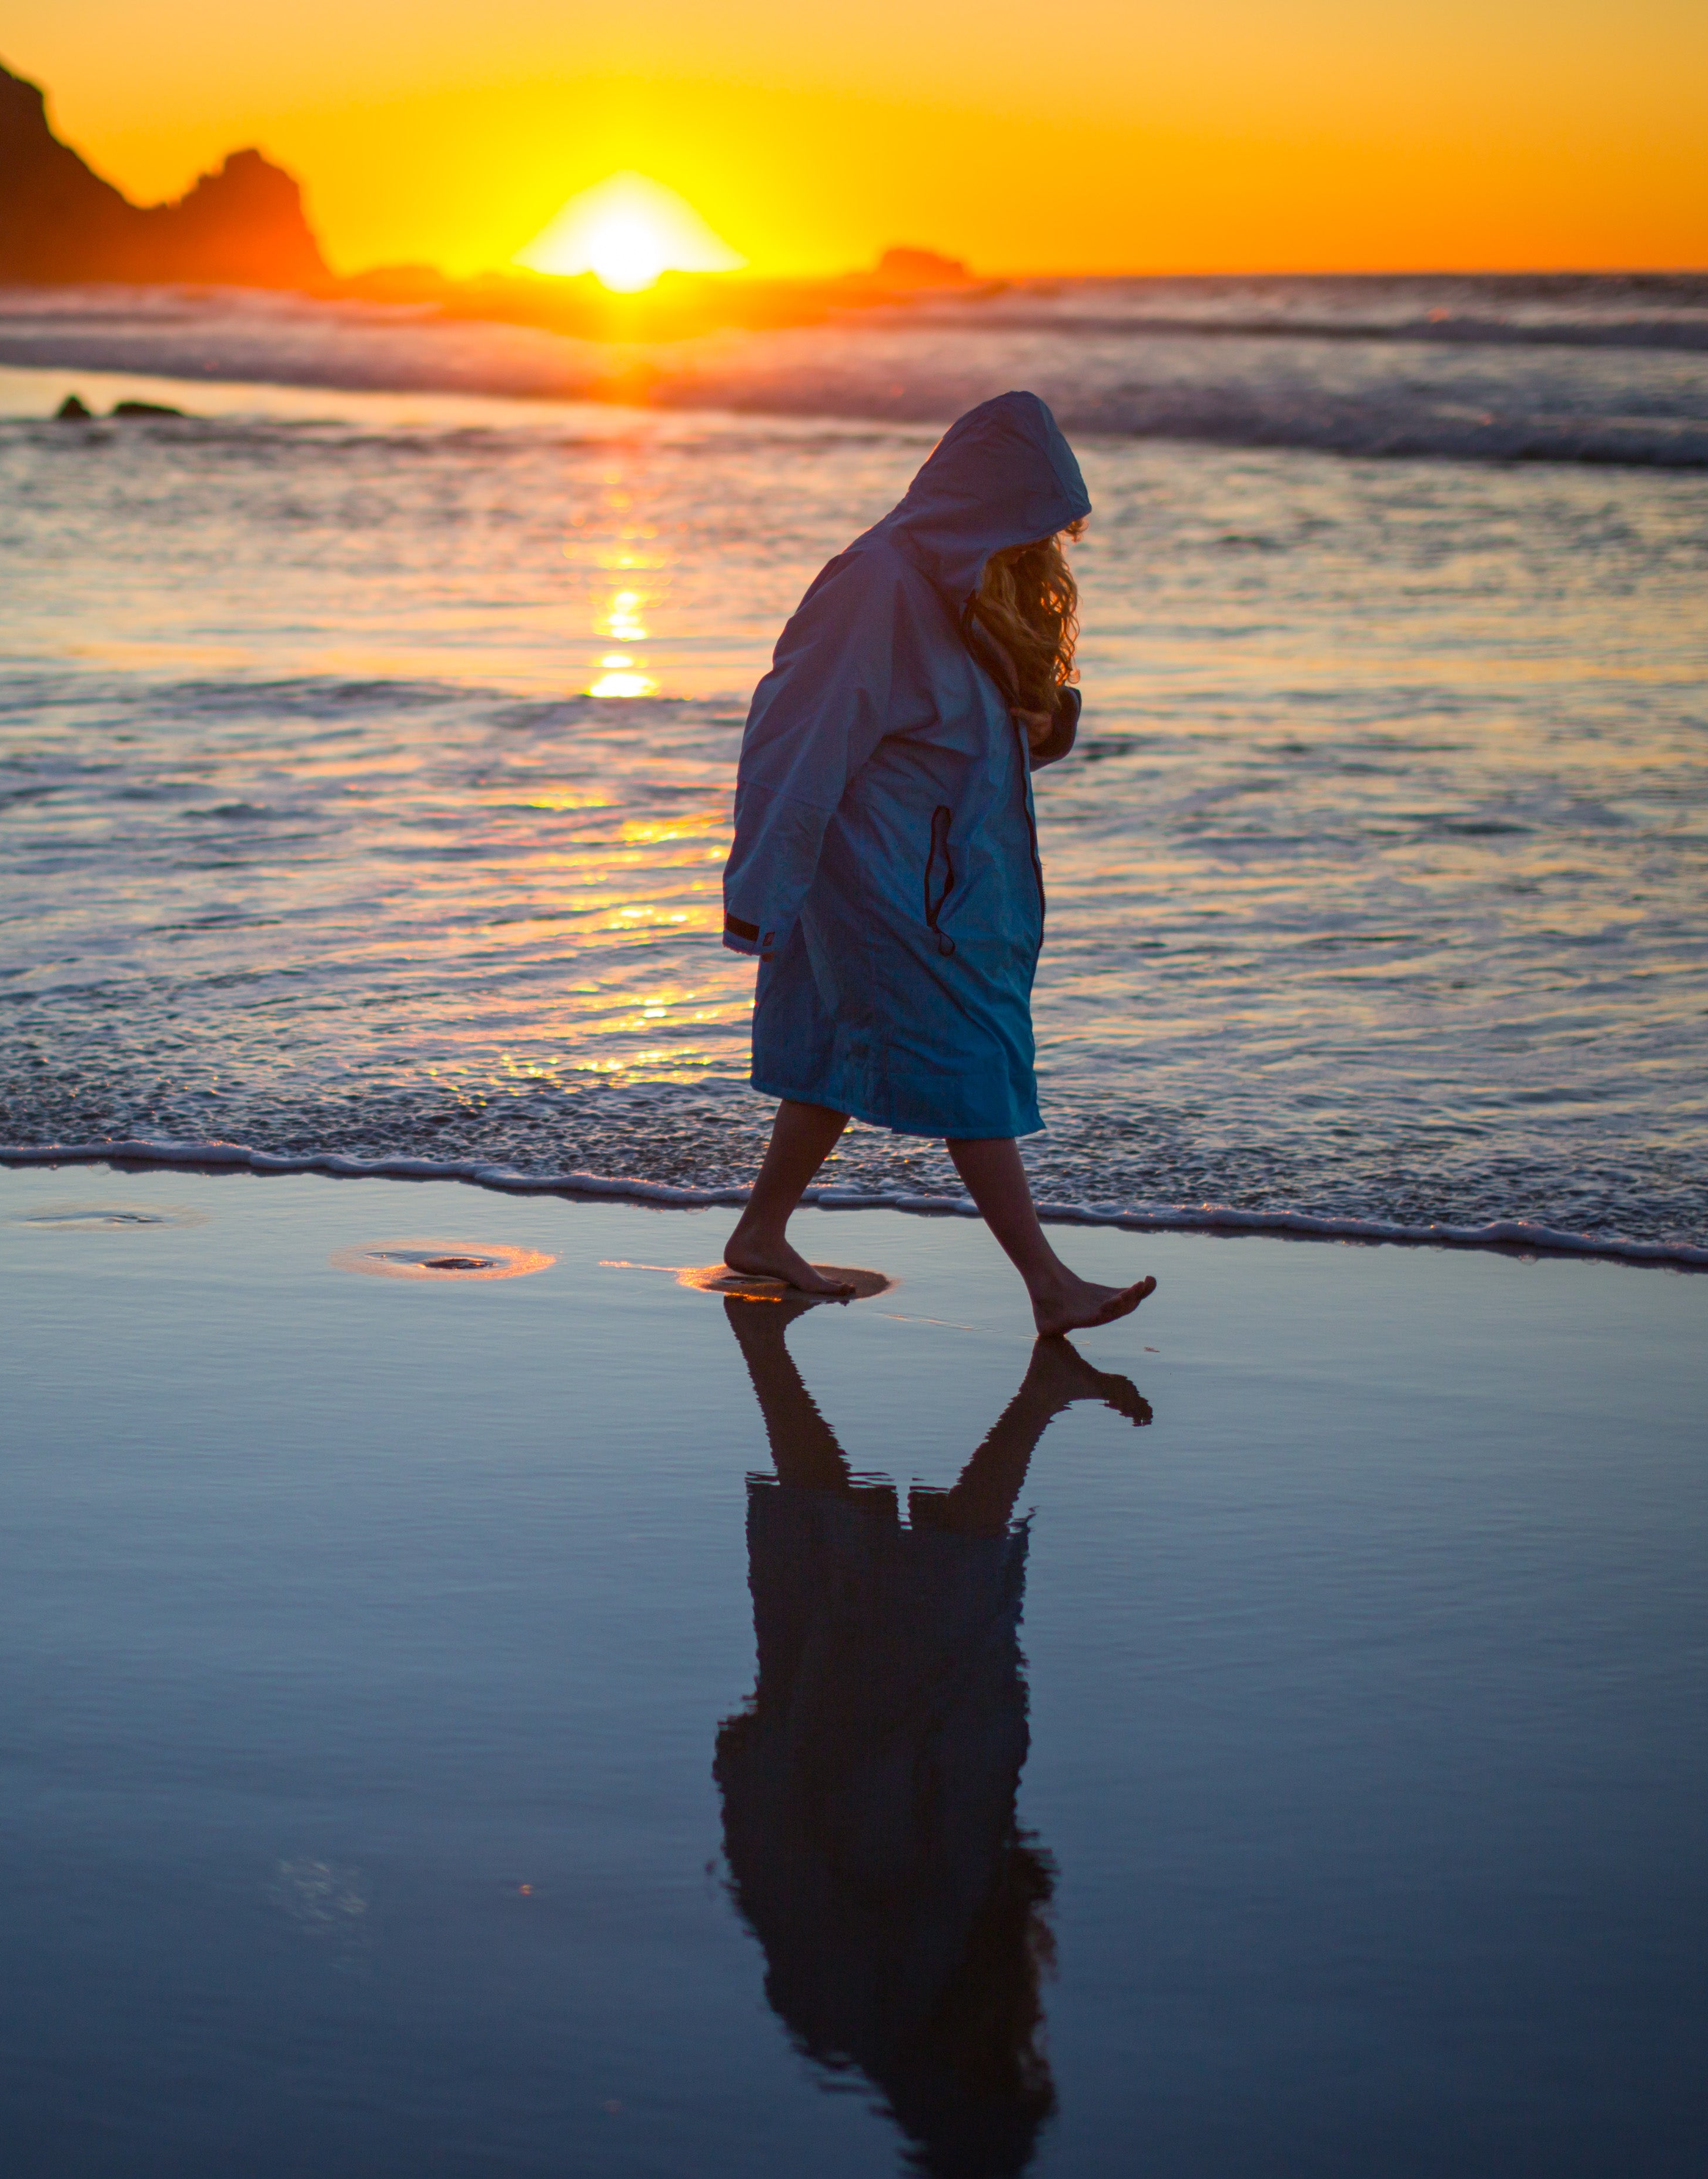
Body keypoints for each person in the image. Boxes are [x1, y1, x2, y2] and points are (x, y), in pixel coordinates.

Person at [718, 392, 1155, 1336]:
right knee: (970, 1057)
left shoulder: (968, 585)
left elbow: (970, 733)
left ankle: (760, 1231)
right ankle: (1048, 1283)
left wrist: (1048, 718)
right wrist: (760, 888)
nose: (1046, 546)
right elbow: (797, 736)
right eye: (1032, 520)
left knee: (840, 1052)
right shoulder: (875, 583)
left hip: (946, 872)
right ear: (985, 499)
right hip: (884, 881)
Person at [711, 1292, 1154, 2178]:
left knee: (861, 1541)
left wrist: (765, 1750)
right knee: (914, 1563)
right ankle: (1030, 1398)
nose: (1030, 2050)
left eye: (1018, 2070)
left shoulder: (852, 2012)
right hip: (901, 1761)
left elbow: (780, 1862)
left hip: (862, 1761)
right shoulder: (894, 2008)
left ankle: (775, 1348)